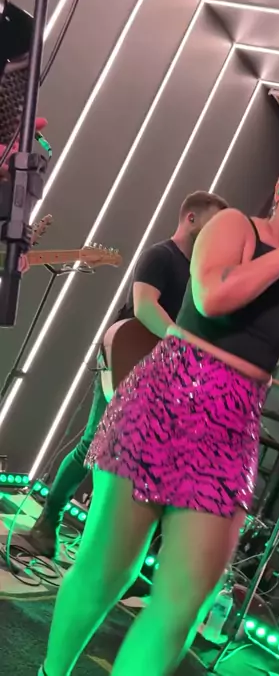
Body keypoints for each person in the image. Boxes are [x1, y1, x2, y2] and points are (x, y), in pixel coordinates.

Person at [38, 152, 279, 676]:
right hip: (167, 398)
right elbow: (212, 297)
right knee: (107, 571)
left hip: (232, 427)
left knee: (185, 601)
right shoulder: (234, 226)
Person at [25, 190, 228, 560]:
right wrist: (182, 340)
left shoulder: (201, 274)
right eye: (214, 223)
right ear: (191, 218)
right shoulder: (161, 256)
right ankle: (47, 522)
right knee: (94, 443)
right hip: (127, 357)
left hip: (162, 370)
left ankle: (102, 548)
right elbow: (145, 307)